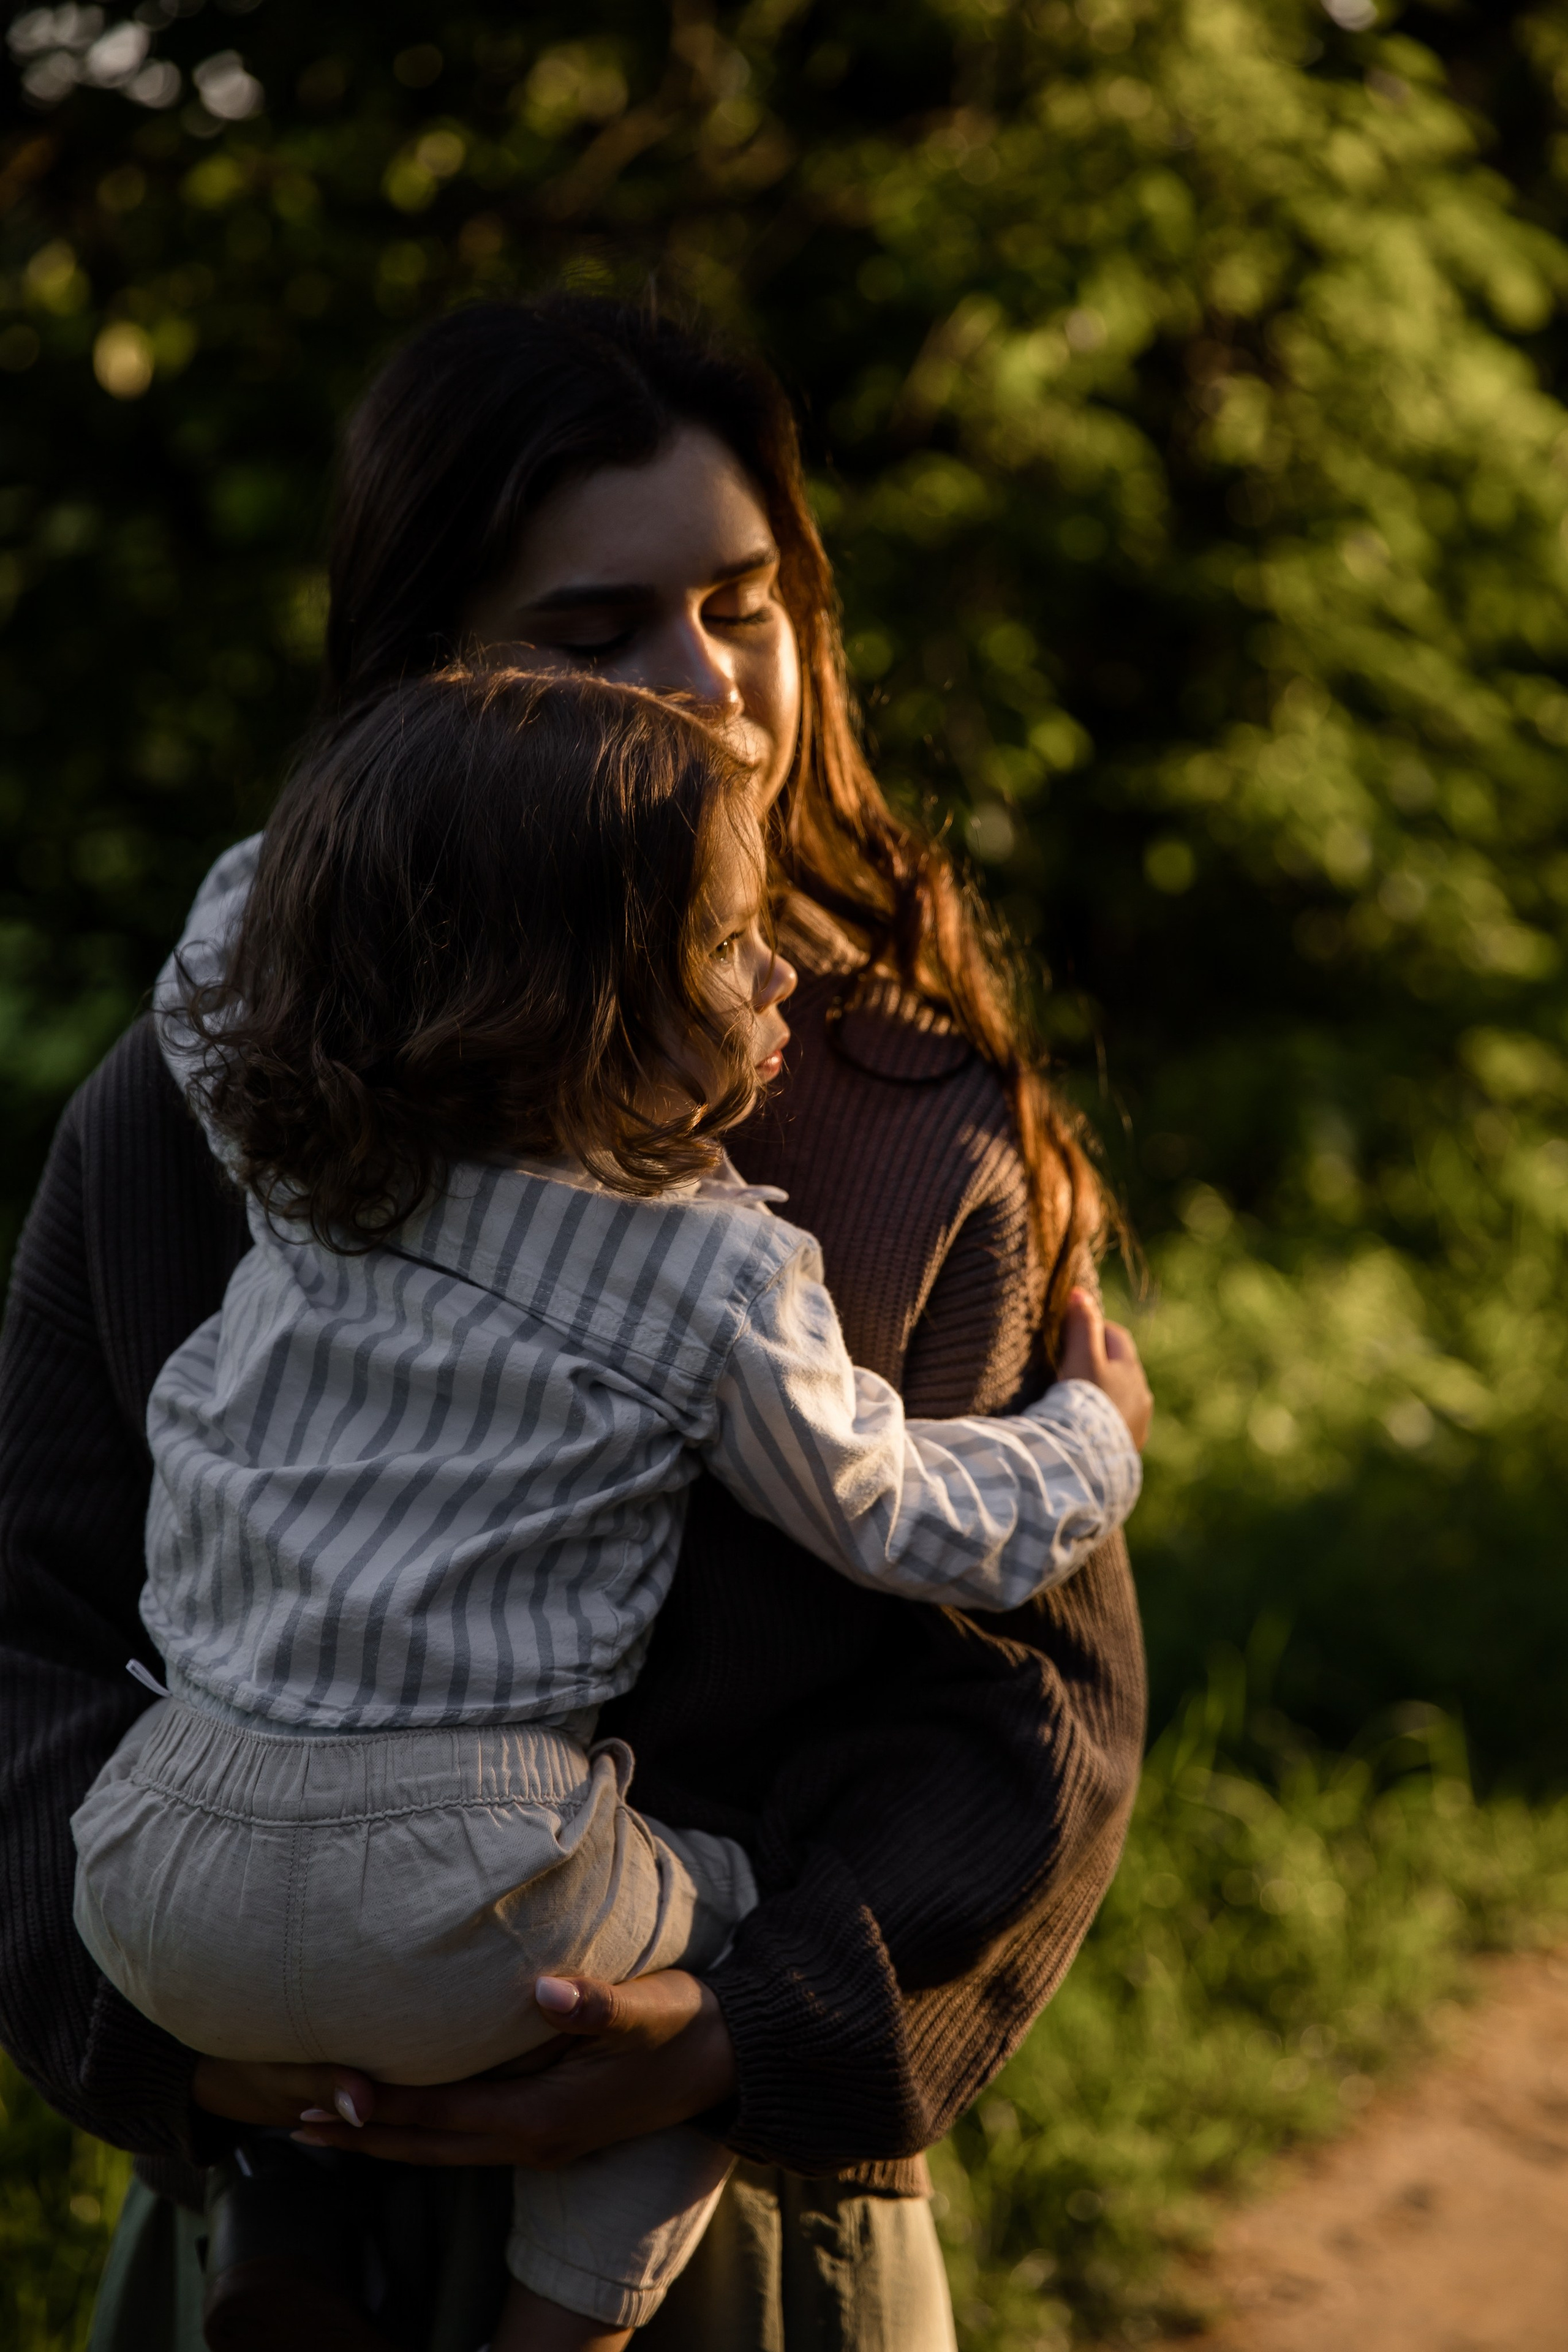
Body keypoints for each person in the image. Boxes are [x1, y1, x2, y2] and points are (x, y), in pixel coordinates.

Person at [0, 296, 1148, 2352]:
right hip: (264, 2149)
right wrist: (184, 2054)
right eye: (594, 631)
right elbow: (28, 1617)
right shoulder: (206, 1103)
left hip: (744, 2236)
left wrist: (747, 2031)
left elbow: (1026, 1712)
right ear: (426, 681)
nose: (704, 686)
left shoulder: (911, 1121)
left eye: (743, 604)